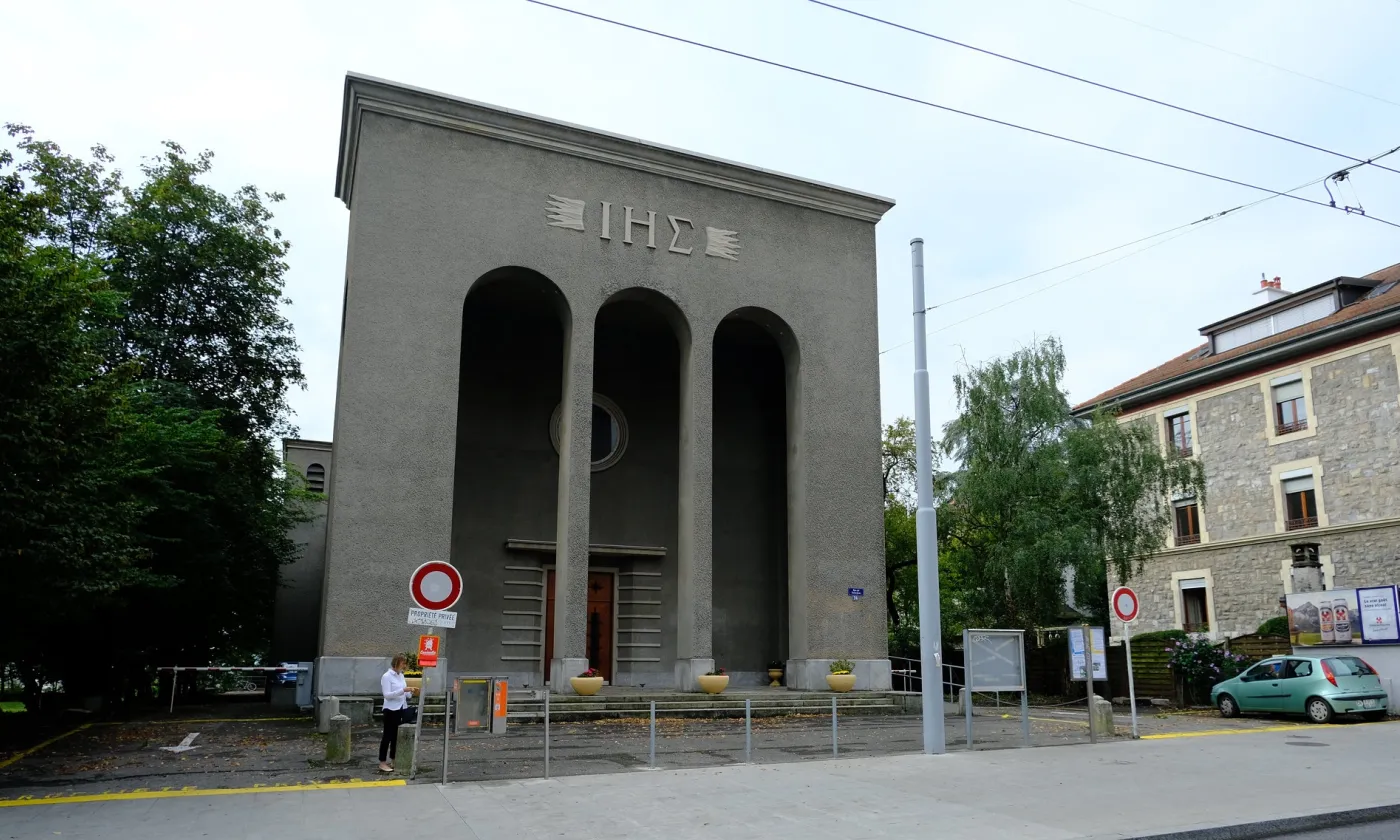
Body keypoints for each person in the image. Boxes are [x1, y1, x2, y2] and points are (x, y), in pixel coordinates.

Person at [379, 654, 415, 772]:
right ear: (396, 663)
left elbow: (405, 694)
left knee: (396, 736)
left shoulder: (401, 676)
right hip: (390, 709)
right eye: (403, 663)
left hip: (401, 708)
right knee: (387, 736)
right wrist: (402, 690)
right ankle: (382, 762)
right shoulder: (387, 676)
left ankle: (393, 759)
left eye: (405, 663)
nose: (404, 665)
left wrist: (411, 692)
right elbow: (387, 695)